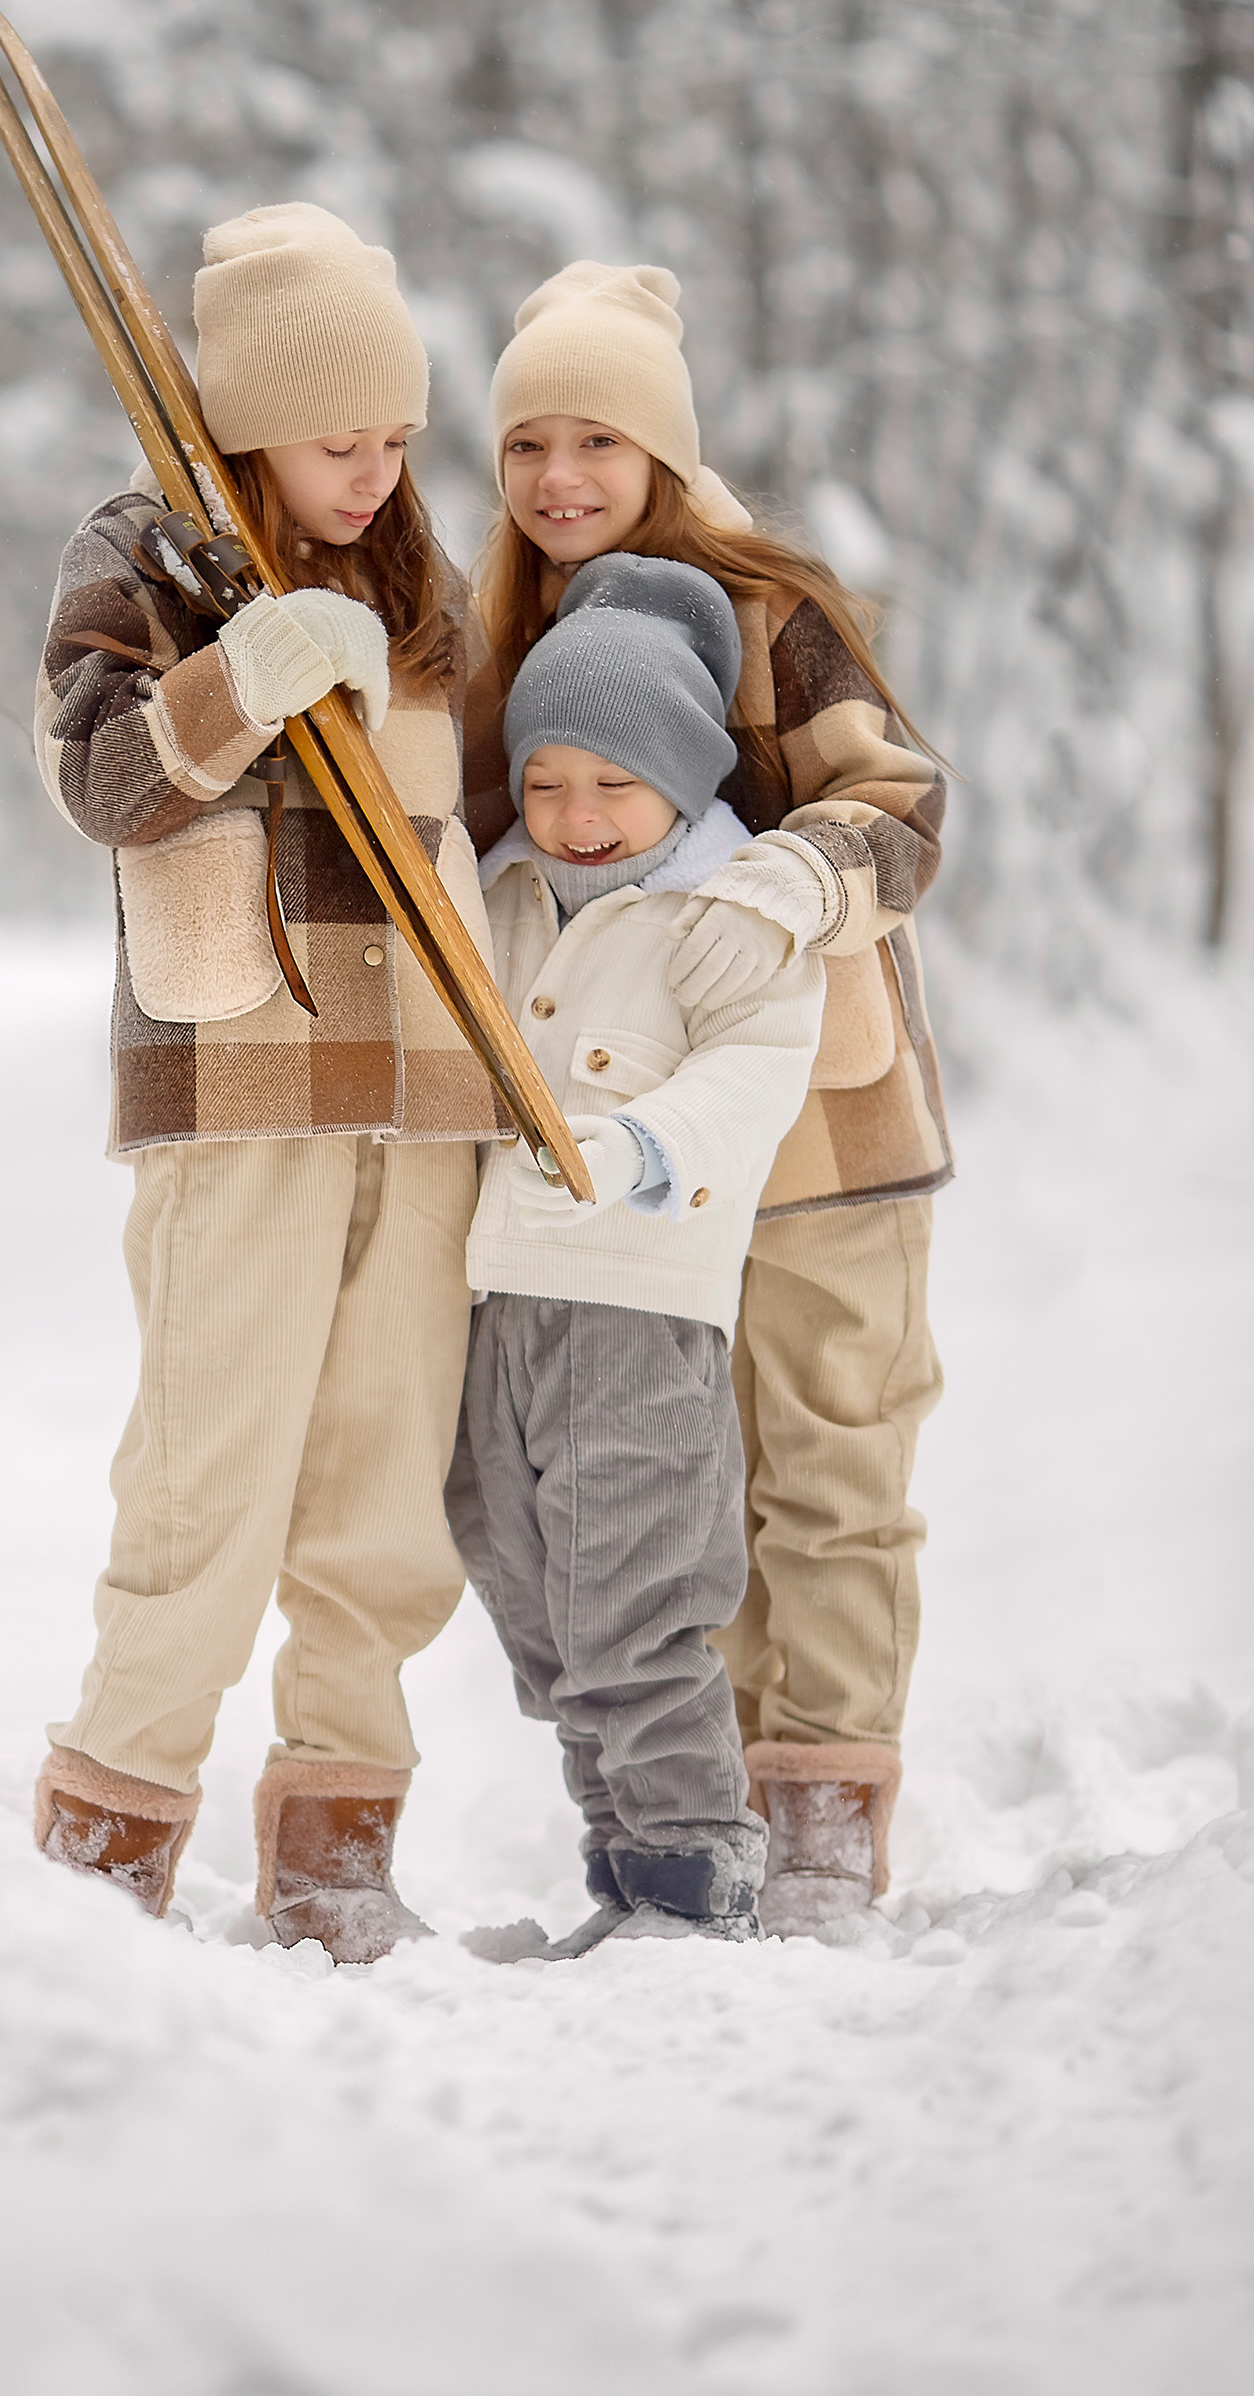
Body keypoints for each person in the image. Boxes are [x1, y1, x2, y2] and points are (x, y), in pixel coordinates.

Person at [30, 202, 503, 1963]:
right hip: (241, 1078)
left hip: (426, 1086)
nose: (378, 473)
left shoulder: (416, 572)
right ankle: (106, 1844)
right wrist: (240, 681)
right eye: (339, 441)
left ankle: (338, 1858)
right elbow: (97, 784)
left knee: (384, 1494)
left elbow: (476, 813)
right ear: (250, 428)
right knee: (205, 1478)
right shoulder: (145, 548)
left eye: (398, 437)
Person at [465, 262, 952, 1935]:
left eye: (598, 440)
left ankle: (825, 1827)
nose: (561, 479)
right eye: (529, 445)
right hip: (624, 1152)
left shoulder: (768, 607)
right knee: (688, 1488)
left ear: (662, 451)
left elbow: (902, 798)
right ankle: (715, 1818)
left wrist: (799, 879)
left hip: (818, 1123)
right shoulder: (504, 629)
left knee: (829, 1465)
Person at [452, 554, 824, 1948]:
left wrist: (638, 1145)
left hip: (638, 1311)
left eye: (615, 781)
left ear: (682, 780)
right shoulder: (499, 896)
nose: (577, 815)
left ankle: (690, 1867)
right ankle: (624, 1865)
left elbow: (757, 1071)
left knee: (635, 1598)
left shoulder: (724, 919)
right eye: (547, 781)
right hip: (496, 1306)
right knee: (532, 1600)